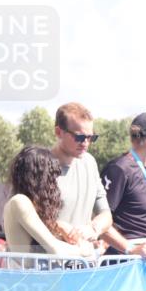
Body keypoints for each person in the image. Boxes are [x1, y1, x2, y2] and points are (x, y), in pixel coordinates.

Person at [2, 146, 96, 258]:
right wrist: (83, 250)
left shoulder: (25, 204)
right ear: (40, 178)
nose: (55, 183)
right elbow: (55, 249)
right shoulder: (20, 202)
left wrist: (59, 226)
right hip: (30, 274)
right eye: (52, 177)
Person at [99, 112, 146, 256]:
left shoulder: (143, 170)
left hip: (143, 259)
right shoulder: (119, 168)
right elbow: (98, 219)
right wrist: (130, 249)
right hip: (123, 264)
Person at [50, 102, 113, 252]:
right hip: (48, 264)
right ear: (59, 132)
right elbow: (23, 215)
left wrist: (93, 228)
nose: (85, 143)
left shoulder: (90, 162)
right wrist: (59, 226)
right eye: (79, 137)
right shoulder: (39, 165)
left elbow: (106, 215)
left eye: (91, 137)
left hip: (82, 262)